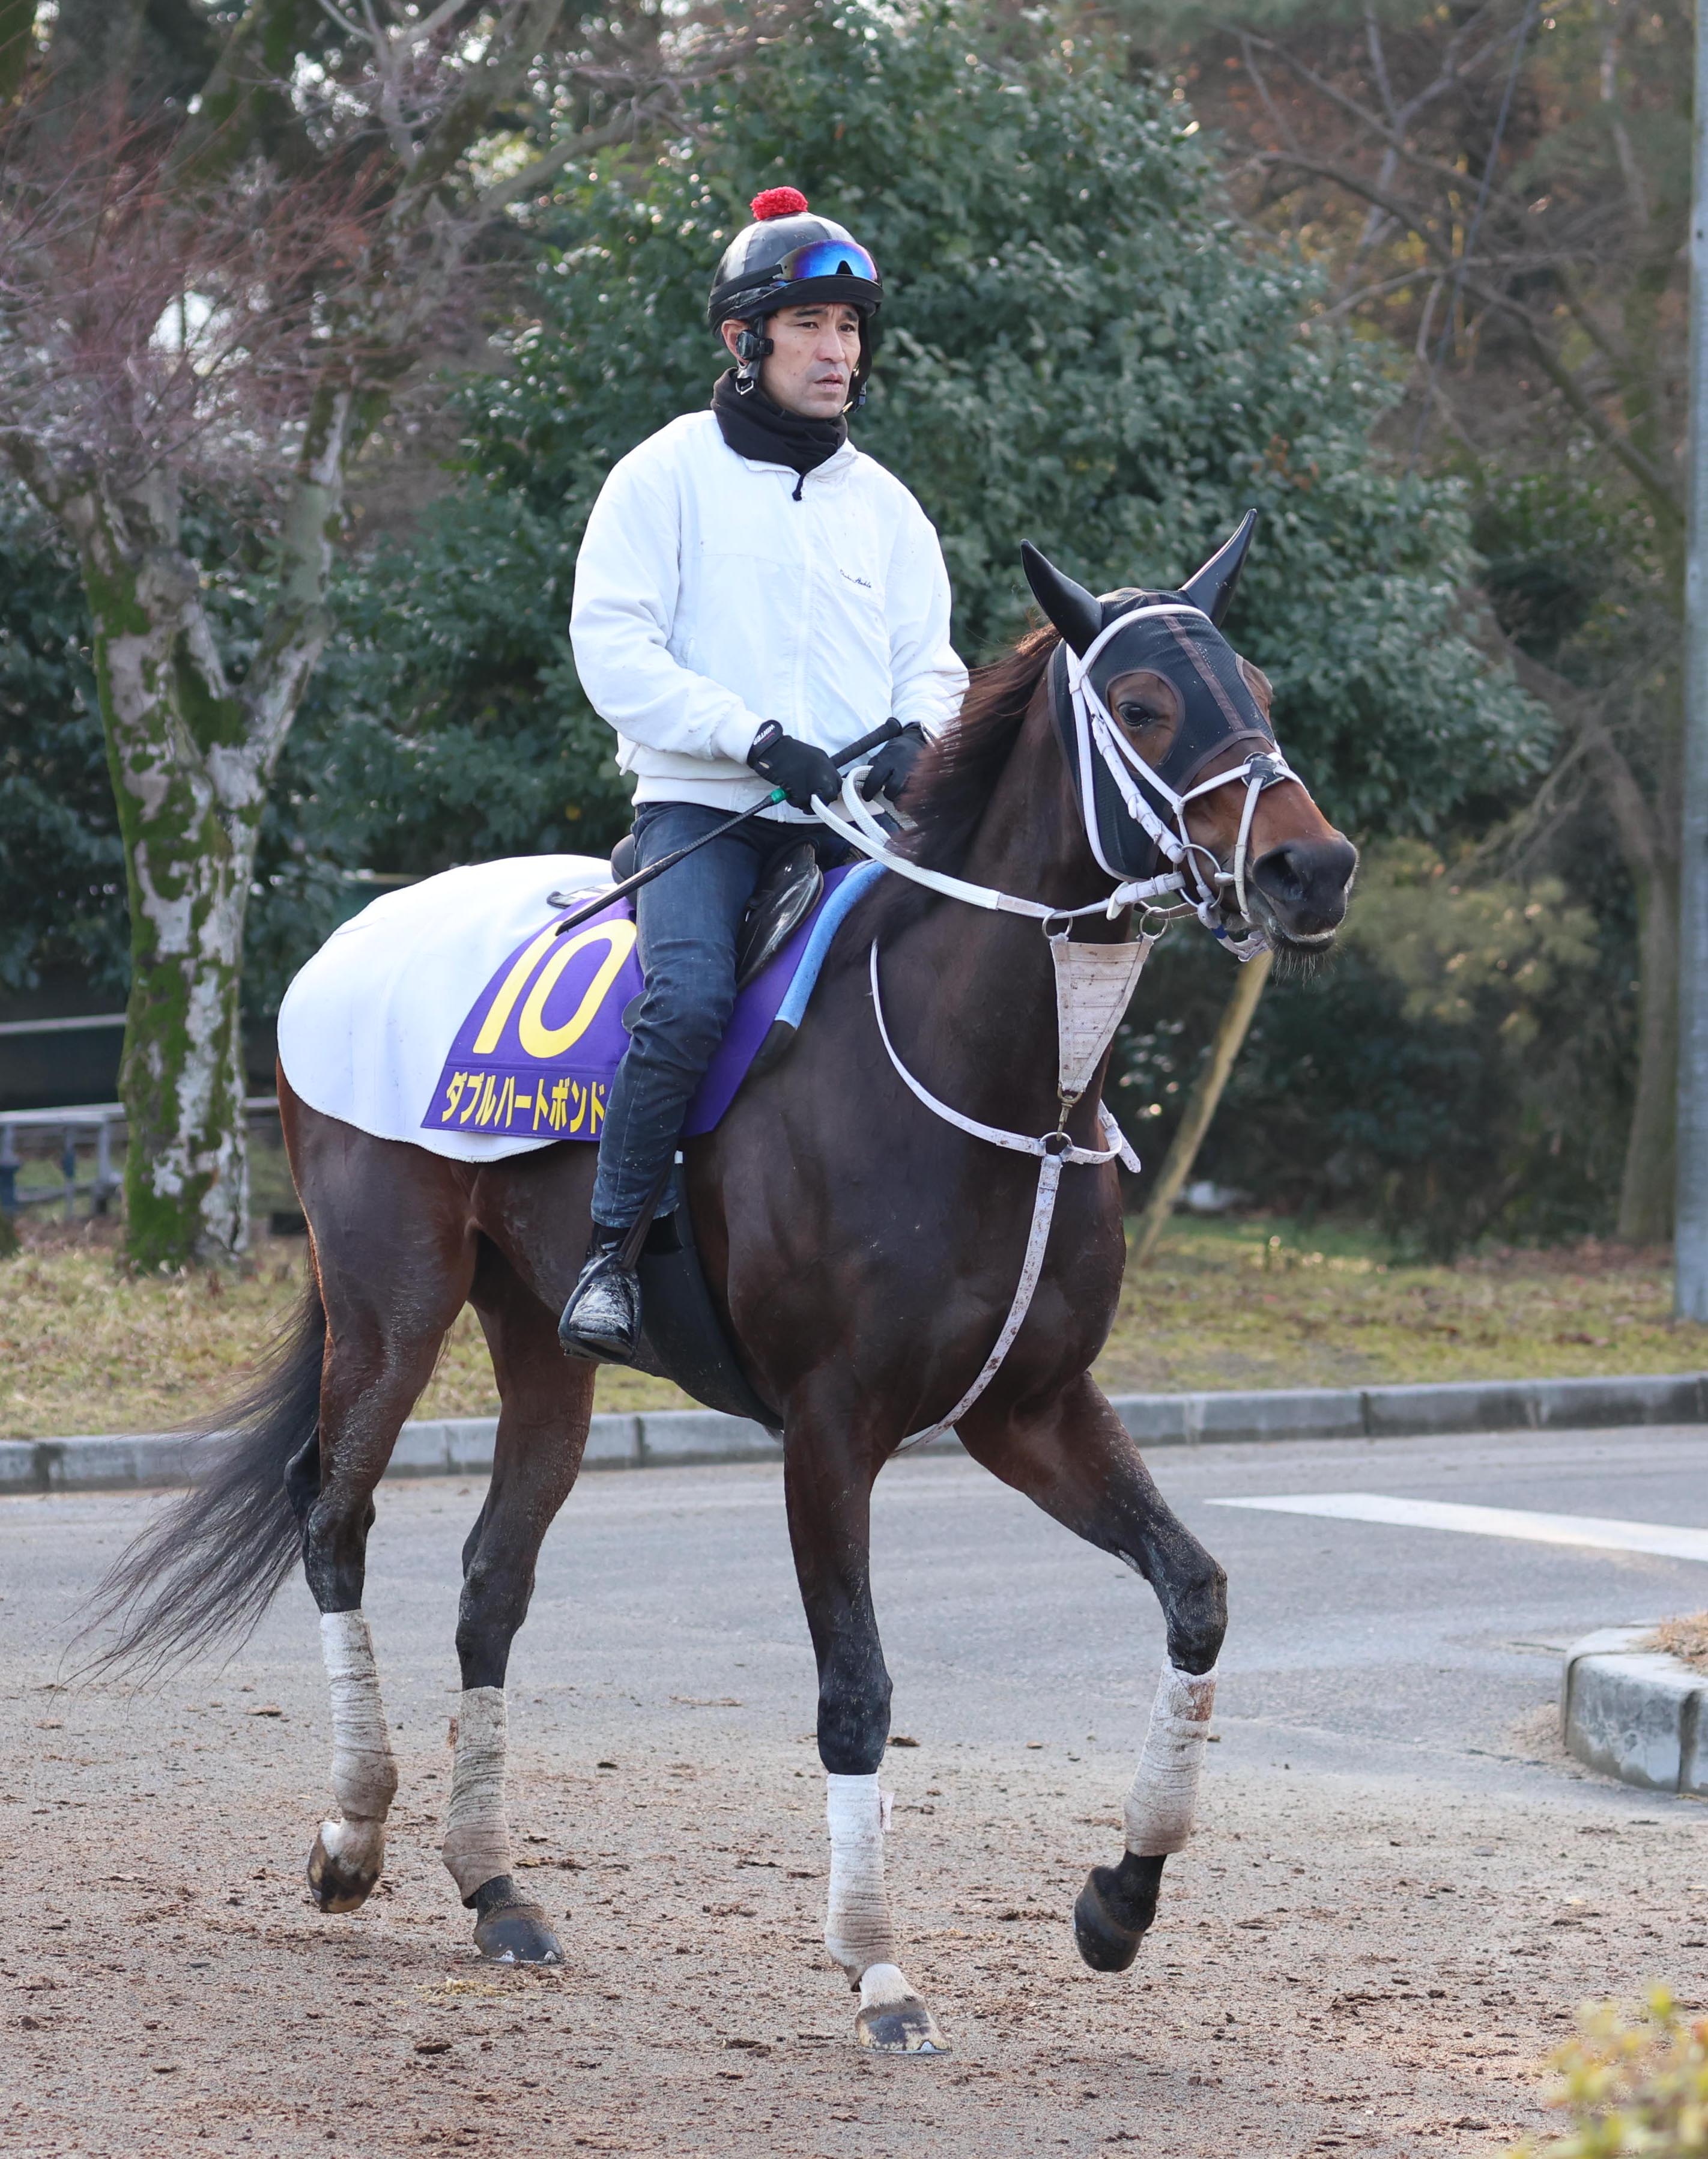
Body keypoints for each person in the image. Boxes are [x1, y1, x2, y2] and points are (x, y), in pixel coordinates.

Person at [559, 185, 968, 1362]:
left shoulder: (887, 509)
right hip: (709, 813)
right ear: (746, 343)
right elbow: (614, 646)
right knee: (687, 1001)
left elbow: (930, 664)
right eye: (811, 328)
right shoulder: (662, 477)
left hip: (855, 825)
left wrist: (914, 734)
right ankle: (609, 1256)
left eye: (851, 330)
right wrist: (746, 736)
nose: (839, 352)